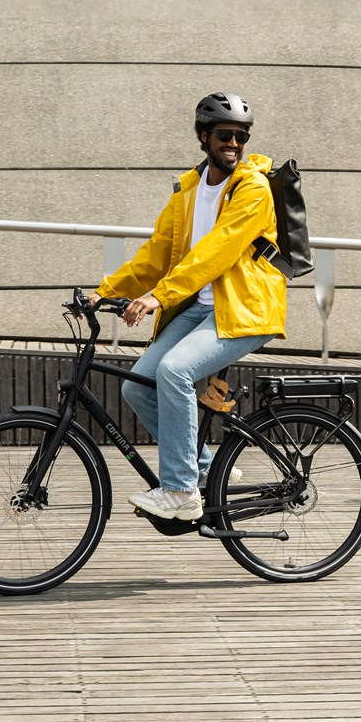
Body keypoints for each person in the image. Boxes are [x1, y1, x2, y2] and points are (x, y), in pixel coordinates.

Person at [86, 92, 286, 522]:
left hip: (244, 311)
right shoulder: (188, 190)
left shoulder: (253, 189)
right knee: (138, 386)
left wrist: (159, 296)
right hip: (197, 309)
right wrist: (104, 291)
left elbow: (217, 251)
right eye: (225, 135)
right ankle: (204, 468)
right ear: (203, 136)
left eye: (242, 137)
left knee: (174, 371)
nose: (234, 144)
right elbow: (156, 255)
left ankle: (180, 491)